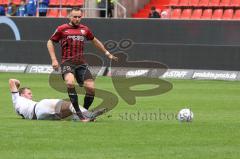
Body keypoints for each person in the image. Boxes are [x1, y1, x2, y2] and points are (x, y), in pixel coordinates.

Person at [47, 7, 117, 122]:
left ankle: (85, 112)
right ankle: (79, 114)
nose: (77, 19)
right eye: (75, 16)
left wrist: (107, 53)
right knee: (70, 83)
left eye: (79, 17)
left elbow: (95, 41)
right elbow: (50, 42)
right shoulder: (62, 29)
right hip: (67, 62)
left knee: (91, 88)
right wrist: (54, 59)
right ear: (69, 16)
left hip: (81, 64)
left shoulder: (85, 29)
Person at [9, 78, 104, 121]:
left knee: (69, 114)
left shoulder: (18, 104)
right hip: (40, 106)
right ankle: (88, 114)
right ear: (21, 94)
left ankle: (86, 118)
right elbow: (12, 81)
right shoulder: (17, 98)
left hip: (39, 117)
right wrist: (18, 84)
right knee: (70, 105)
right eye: (29, 93)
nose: (31, 95)